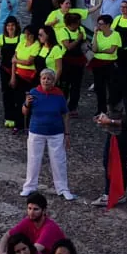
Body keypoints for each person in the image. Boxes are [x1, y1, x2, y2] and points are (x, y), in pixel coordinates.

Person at [21, 68, 74, 200]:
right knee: (33, 159)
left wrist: (67, 134)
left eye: (49, 78)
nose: (46, 81)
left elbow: (65, 114)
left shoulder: (59, 94)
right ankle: (29, 187)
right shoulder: (33, 93)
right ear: (40, 79)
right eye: (44, 78)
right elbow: (24, 112)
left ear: (53, 81)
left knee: (59, 161)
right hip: (36, 131)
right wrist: (27, 104)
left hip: (56, 133)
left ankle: (62, 188)